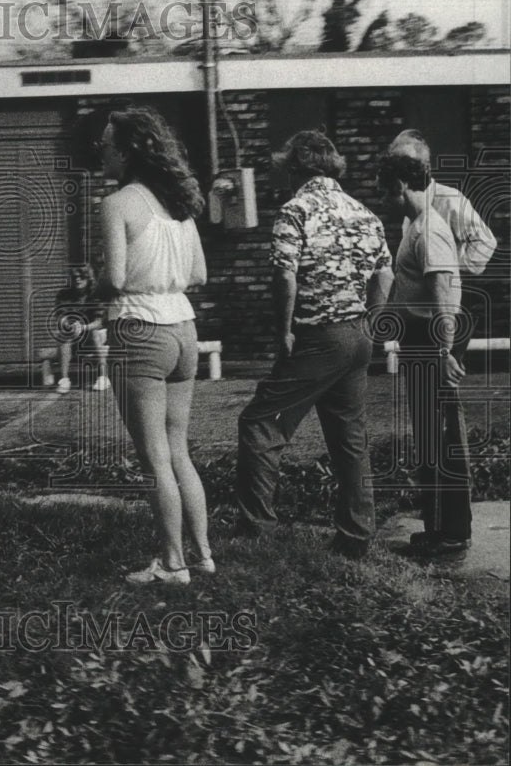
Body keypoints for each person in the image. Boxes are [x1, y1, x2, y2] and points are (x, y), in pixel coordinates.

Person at [236, 130, 394, 559]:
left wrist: (283, 330)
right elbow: (385, 275)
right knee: (349, 438)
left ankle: (256, 532)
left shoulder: (295, 211)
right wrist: (371, 322)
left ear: (295, 168)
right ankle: (357, 538)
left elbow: (284, 274)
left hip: (316, 336)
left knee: (260, 423)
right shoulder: (365, 213)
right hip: (357, 335)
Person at [97, 105, 212, 585]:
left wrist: (97, 279)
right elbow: (200, 276)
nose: (100, 151)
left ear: (125, 152)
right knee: (178, 449)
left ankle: (171, 564)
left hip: (140, 330)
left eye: (105, 144)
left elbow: (117, 280)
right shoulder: (179, 204)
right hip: (184, 329)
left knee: (154, 459)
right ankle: (203, 554)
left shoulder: (118, 203)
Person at [377, 153, 472, 556]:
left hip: (434, 343)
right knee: (430, 439)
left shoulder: (429, 230)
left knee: (444, 437)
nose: (383, 197)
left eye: (385, 188)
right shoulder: (416, 226)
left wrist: (445, 352)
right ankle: (437, 527)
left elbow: (442, 296)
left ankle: (453, 531)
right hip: (422, 343)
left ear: (400, 185)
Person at [388, 129, 496, 279]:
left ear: (426, 167)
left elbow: (485, 241)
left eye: (407, 164)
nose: (399, 171)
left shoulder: (449, 198)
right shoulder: (408, 207)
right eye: (396, 164)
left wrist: (448, 271)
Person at [39, 265, 110, 393]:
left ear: (88, 278)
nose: (78, 279)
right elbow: (60, 317)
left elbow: (99, 321)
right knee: (64, 335)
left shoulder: (95, 295)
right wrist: (68, 325)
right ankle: (64, 380)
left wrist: (83, 327)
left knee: (94, 333)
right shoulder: (64, 295)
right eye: (74, 277)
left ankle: (103, 377)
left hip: (92, 333)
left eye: (81, 276)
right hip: (74, 335)